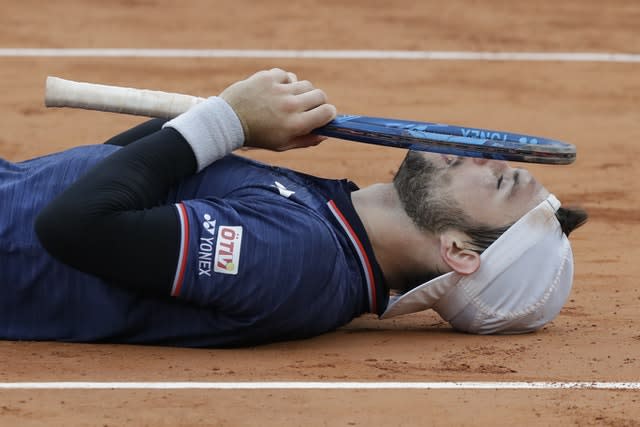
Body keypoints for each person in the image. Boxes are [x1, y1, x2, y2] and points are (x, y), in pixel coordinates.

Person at [0, 68, 587, 347]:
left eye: (502, 180)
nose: (484, 155)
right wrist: (229, 128)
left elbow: (75, 225)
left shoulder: (297, 258)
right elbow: (117, 172)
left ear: (458, 250)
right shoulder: (326, 217)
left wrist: (223, 123)